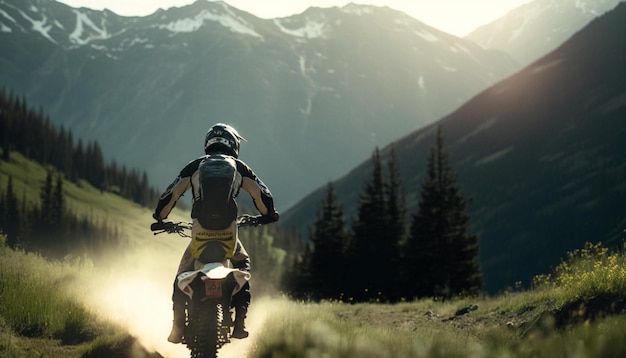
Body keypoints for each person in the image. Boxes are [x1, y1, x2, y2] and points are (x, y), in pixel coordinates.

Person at [152, 123, 279, 343]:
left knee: (181, 275)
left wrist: (160, 218)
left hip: (199, 235)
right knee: (243, 265)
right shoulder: (240, 167)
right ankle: (239, 322)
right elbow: (262, 195)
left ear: (208, 143)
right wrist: (267, 215)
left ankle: (177, 327)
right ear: (234, 144)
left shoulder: (194, 166)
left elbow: (170, 194)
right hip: (228, 235)